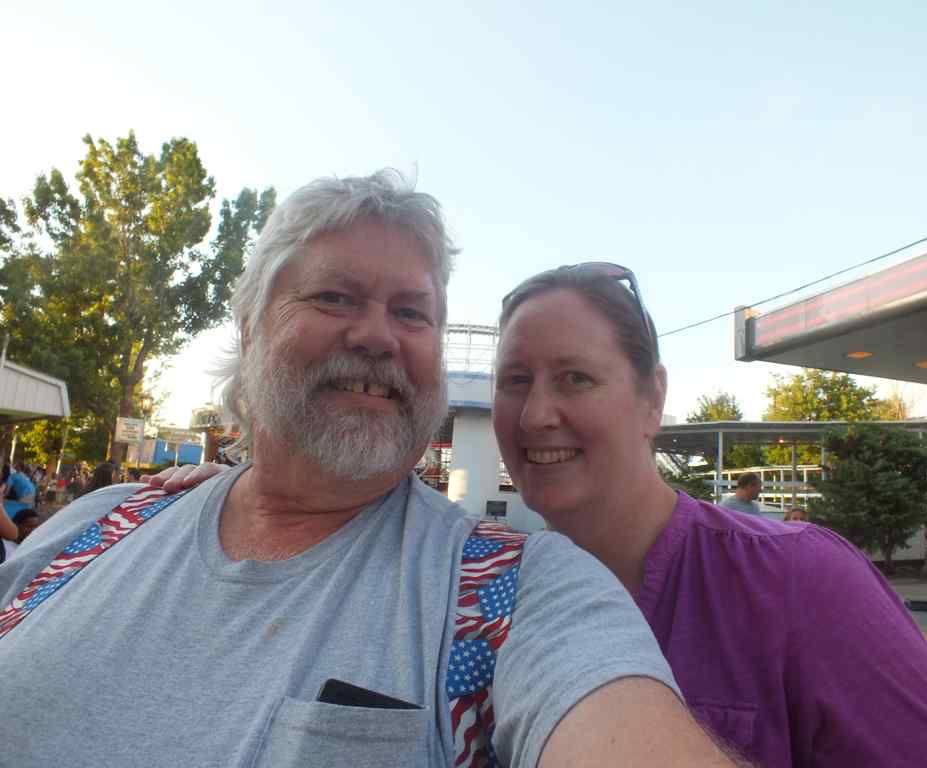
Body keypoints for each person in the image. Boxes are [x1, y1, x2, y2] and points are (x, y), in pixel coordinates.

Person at [0, 173, 738, 767]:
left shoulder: (512, 594)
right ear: (252, 328)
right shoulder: (95, 528)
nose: (378, 336)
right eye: (334, 297)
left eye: (412, 313)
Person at [158, 260, 927, 766]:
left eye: (575, 378)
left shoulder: (799, 583)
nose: (537, 415)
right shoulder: (480, 589)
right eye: (516, 381)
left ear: (651, 398)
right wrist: (240, 497)